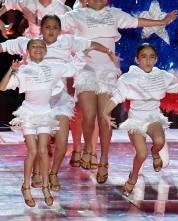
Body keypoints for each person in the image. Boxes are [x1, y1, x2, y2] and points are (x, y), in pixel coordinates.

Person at [60, 0, 177, 184]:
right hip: (86, 71)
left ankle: (104, 159)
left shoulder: (113, 14)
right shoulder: (75, 15)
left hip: (107, 72)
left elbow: (136, 22)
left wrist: (162, 21)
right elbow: (51, 26)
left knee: (104, 116)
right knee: (88, 116)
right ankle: (90, 149)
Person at [0, 14, 113, 191]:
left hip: (60, 99)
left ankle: (53, 173)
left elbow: (88, 46)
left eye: (55, 27)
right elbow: (5, 46)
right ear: (41, 29)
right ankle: (37, 173)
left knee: (61, 143)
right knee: (40, 144)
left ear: (60, 30)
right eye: (47, 27)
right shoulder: (29, 43)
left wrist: (107, 51)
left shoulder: (66, 42)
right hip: (38, 101)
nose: (51, 31)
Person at [102, 43, 178, 195]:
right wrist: (105, 113)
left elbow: (174, 88)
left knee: (159, 142)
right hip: (136, 120)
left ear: (156, 59)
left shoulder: (161, 76)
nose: (148, 61)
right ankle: (133, 177)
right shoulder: (129, 78)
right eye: (144, 57)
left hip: (153, 117)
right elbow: (116, 97)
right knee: (141, 154)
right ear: (137, 60)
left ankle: (155, 153)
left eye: (151, 57)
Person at [0, 39, 80, 207]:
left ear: (45, 51)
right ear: (28, 51)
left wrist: (83, 52)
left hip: (45, 113)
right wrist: (11, 70)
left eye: (41, 46)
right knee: (33, 151)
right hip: (29, 113)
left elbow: (73, 67)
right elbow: (2, 87)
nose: (38, 49)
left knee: (43, 151)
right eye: (33, 46)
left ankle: (45, 187)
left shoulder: (54, 67)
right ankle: (26, 187)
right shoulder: (24, 70)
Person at [0, 0, 70, 38]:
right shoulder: (29, 2)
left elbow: (65, 28)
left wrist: (36, 21)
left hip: (53, 45)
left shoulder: (61, 9)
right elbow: (12, 1)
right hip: (31, 42)